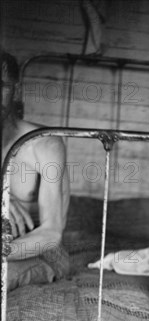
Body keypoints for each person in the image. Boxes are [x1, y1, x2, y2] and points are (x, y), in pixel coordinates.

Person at [1, 50, 70, 291]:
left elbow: (52, 233)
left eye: (2, 86)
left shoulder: (44, 144)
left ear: (17, 90)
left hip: (43, 250)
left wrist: (3, 252)